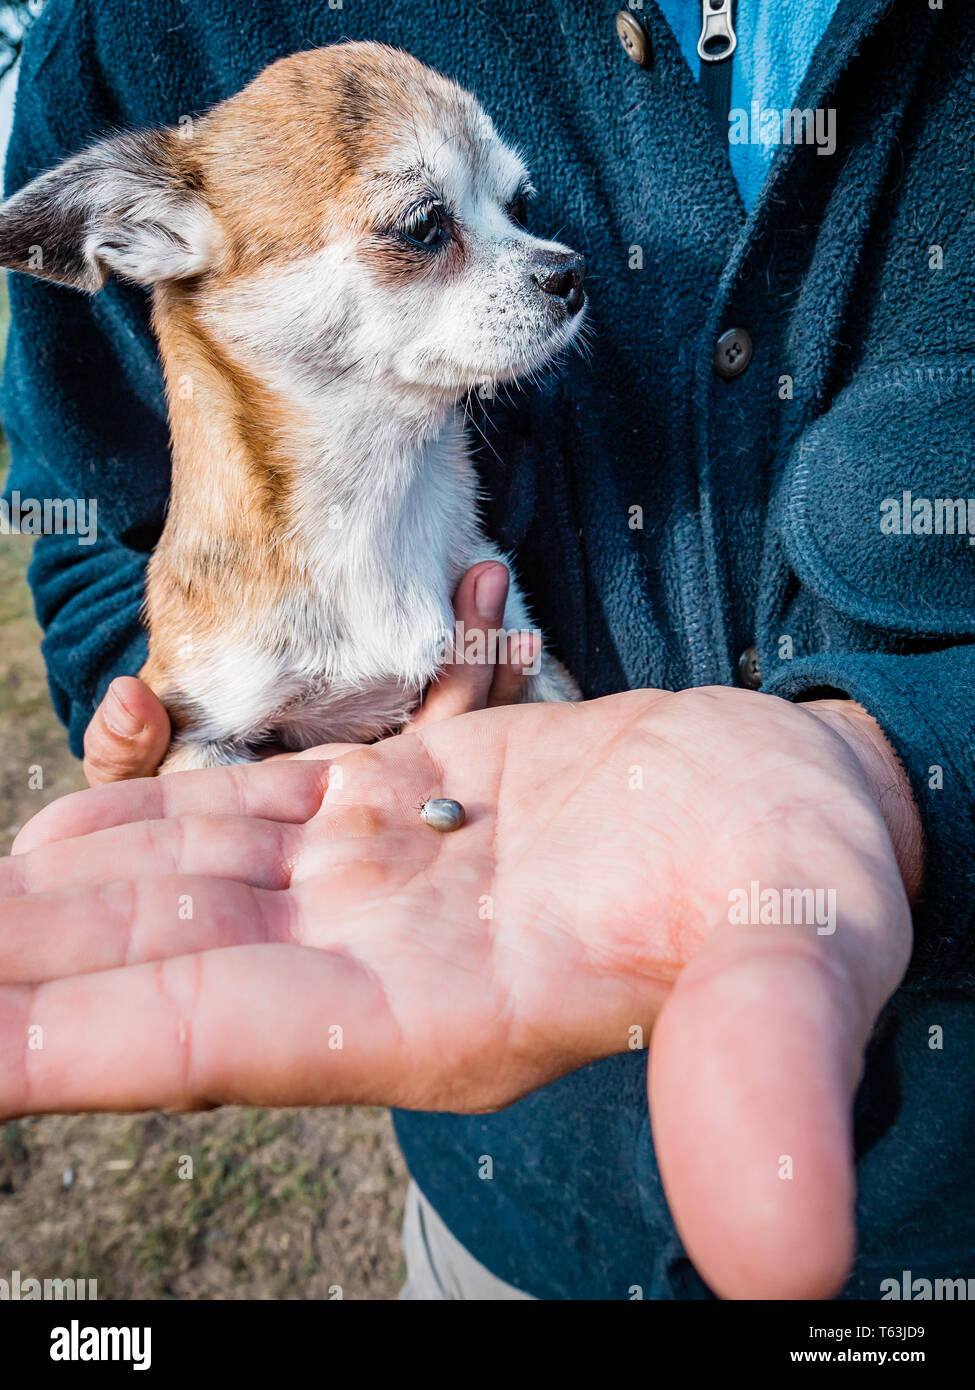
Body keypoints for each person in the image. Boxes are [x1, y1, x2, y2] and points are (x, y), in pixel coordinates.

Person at [1, 0, 972, 1300]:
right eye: (421, 232)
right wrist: (204, 705)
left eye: (506, 211)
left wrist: (901, 765)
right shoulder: (141, 36)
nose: (543, 263)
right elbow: (86, 528)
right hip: (500, 1205)